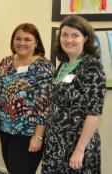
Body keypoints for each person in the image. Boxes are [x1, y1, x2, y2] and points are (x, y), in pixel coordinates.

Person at [41, 15, 106, 174]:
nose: (68, 39)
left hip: (76, 146)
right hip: (55, 144)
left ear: (85, 38)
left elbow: (94, 114)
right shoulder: (63, 65)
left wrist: (79, 150)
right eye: (64, 34)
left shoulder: (92, 67)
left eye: (74, 35)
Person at [0, 23, 54, 174]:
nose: (22, 43)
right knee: (12, 169)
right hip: (5, 130)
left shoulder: (43, 66)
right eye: (18, 38)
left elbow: (44, 104)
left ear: (36, 43)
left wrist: (38, 136)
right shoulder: (5, 62)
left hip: (28, 134)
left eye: (27, 39)